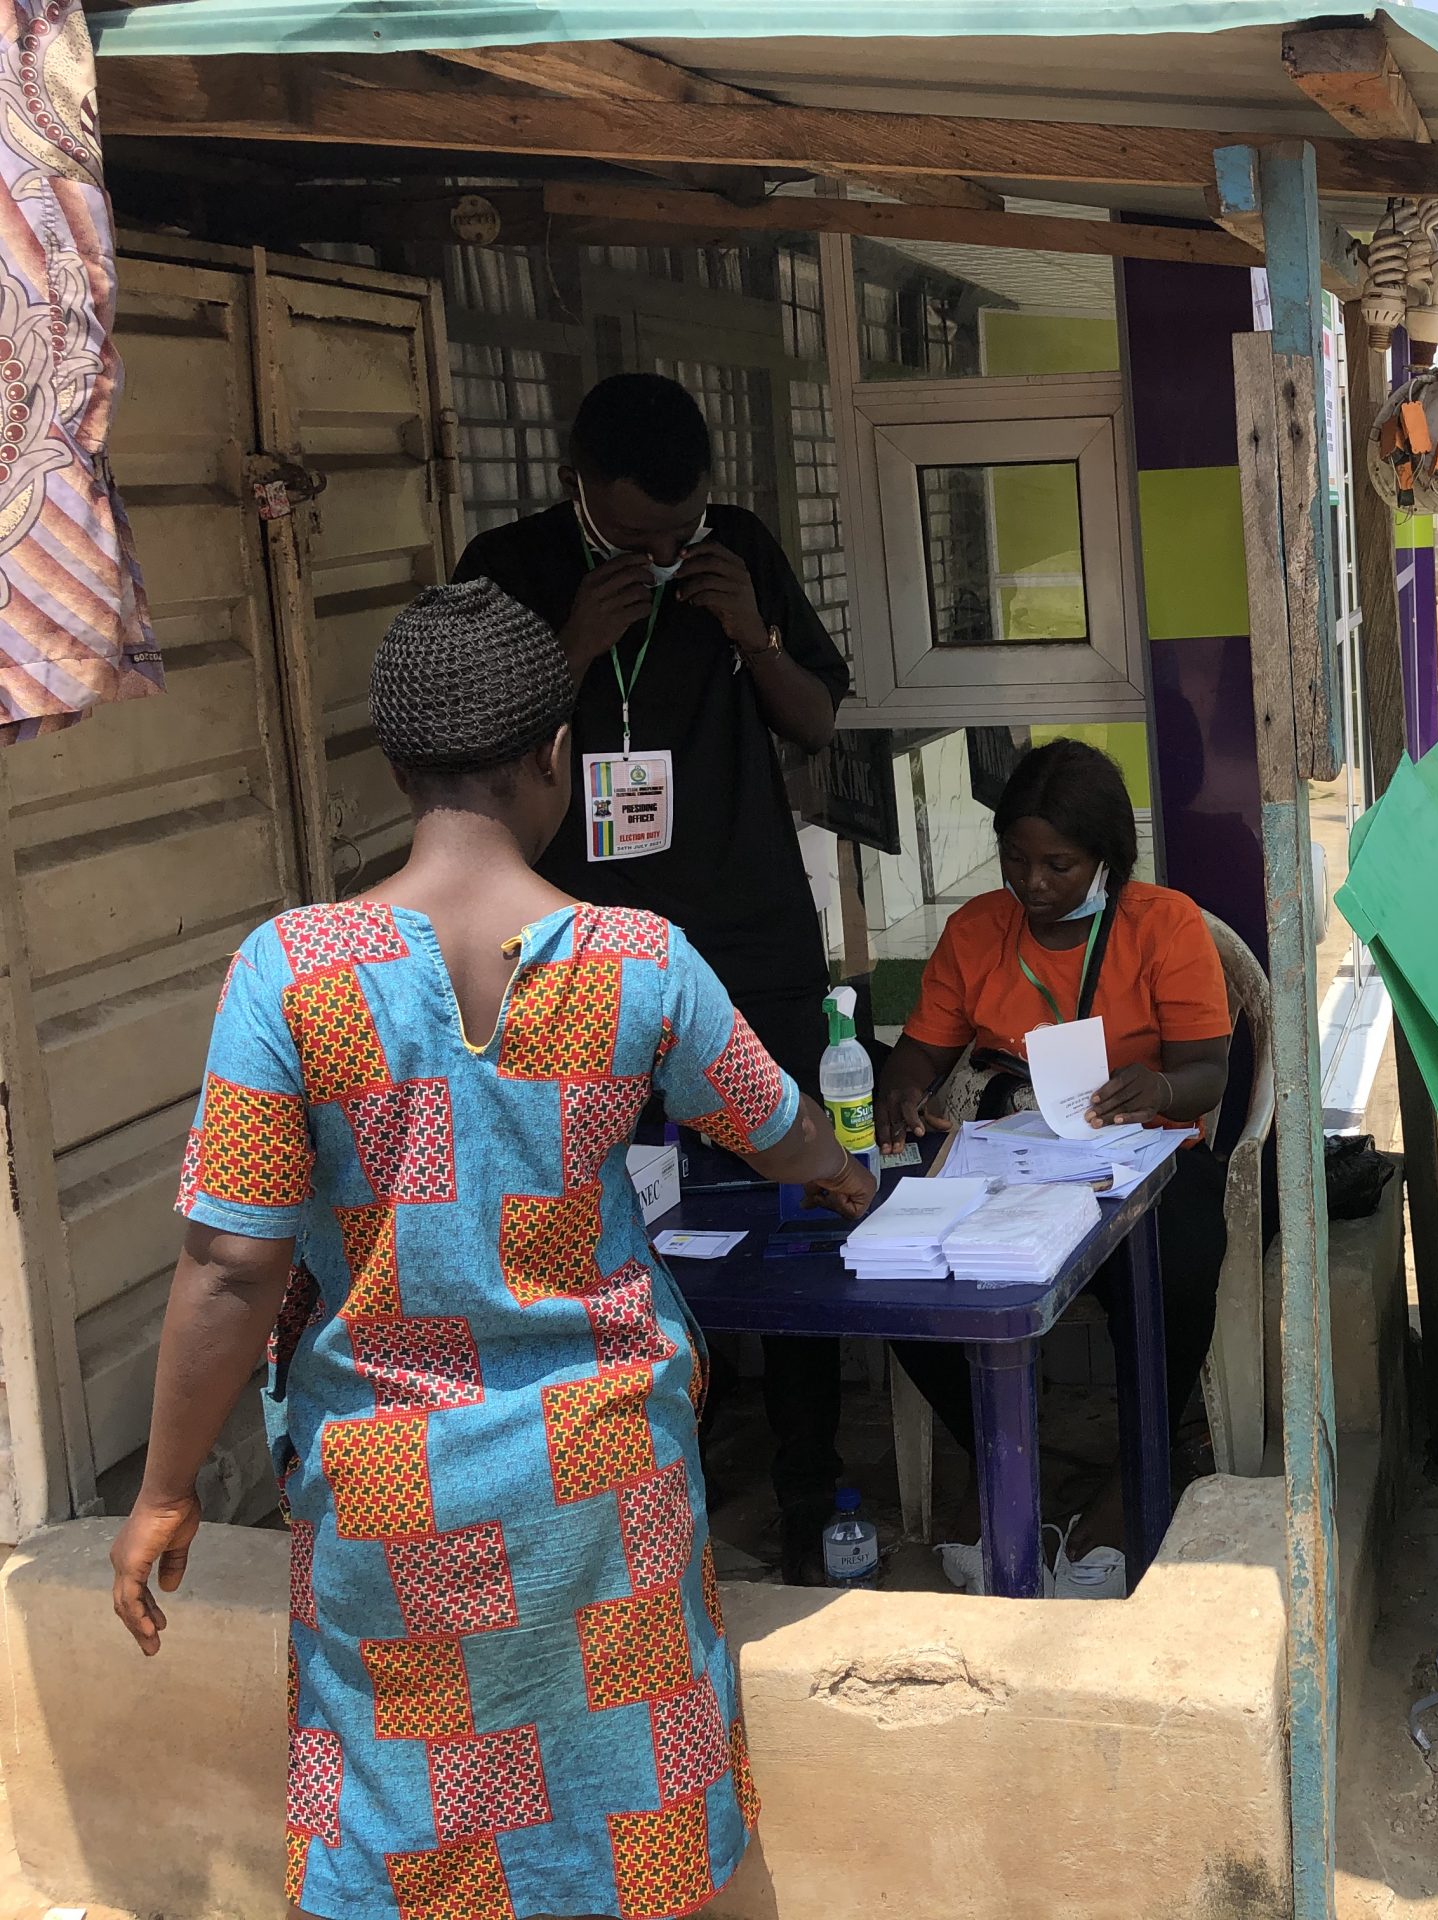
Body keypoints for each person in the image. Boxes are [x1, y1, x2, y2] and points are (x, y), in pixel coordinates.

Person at [106, 581, 874, 1920]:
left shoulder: (286, 974)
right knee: (632, 1803)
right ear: (556, 757)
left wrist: (168, 1485)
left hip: (392, 1498)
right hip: (603, 1483)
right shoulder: (645, 960)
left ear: (398, 769)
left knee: (408, 1826)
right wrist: (847, 1173)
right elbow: (774, 1127)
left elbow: (229, 1269)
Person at [457, 373, 855, 1582]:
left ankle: (806, 1489)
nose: (664, 551)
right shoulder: (509, 563)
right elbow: (470, 756)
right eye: (637, 535)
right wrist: (573, 645)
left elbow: (818, 724)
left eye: (678, 530)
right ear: (578, 485)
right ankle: (619, 1485)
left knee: (796, 1210)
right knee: (597, 1212)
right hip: (570, 948)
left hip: (745, 938)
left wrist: (753, 635)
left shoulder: (737, 549)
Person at [875, 741, 1233, 1541]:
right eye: (1016, 861)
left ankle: (1138, 1463)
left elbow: (1209, 1070)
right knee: (899, 1265)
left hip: (1144, 1154)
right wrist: (901, 1088)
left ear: (1107, 859)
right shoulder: (977, 931)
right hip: (1014, 1153)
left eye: (1059, 866)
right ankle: (999, 1452)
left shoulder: (1164, 925)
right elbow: (921, 1051)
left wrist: (1164, 1089)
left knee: (1177, 1269)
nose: (1033, 885)